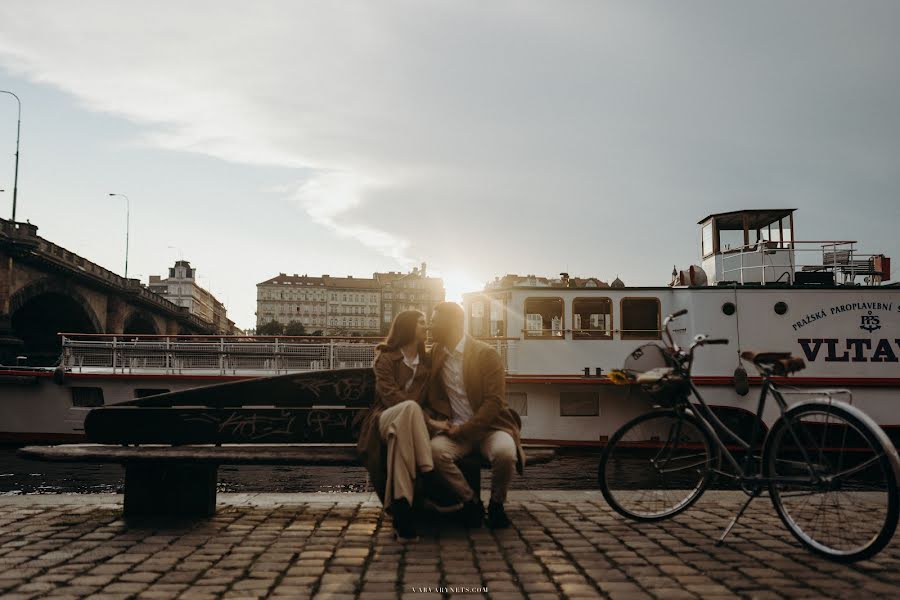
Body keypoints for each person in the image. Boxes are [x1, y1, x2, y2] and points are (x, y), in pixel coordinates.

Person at [425, 302, 526, 529]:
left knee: (505, 453)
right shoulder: (437, 353)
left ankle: (497, 504)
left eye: (435, 320)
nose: (431, 325)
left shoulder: (486, 354)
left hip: (491, 428)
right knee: (434, 453)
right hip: (454, 429)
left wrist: (465, 429)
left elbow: (494, 402)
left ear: (452, 324)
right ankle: (470, 501)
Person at [356, 310, 438, 541]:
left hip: (406, 428)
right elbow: (389, 395)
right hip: (383, 419)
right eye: (421, 322)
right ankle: (427, 470)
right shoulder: (386, 357)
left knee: (399, 438)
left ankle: (402, 511)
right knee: (409, 409)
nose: (426, 326)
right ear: (408, 327)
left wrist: (423, 414)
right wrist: (427, 419)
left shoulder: (428, 361)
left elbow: (432, 399)